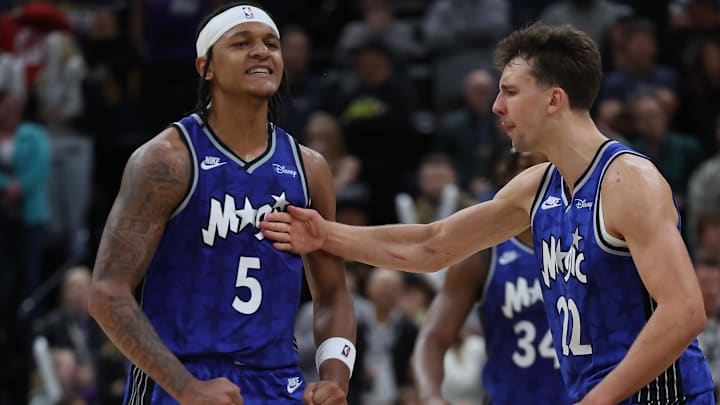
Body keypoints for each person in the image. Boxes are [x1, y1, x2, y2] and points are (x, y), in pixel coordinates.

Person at [261, 23, 715, 404]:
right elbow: (433, 244)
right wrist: (325, 235)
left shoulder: (628, 181)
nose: (497, 106)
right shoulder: (537, 188)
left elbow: (685, 311)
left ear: (554, 99)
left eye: (511, 92)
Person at [88, 3, 356, 405]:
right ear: (206, 67)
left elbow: (333, 294)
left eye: (271, 43)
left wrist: (335, 377)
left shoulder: (309, 168)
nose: (262, 51)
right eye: (241, 43)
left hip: (276, 382)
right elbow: (106, 291)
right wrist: (185, 387)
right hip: (180, 377)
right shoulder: (166, 159)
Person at [412, 152, 570, 405]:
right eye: (521, 169)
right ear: (508, 183)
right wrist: (431, 395)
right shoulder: (483, 255)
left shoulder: (592, 239)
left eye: (539, 167)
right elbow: (432, 338)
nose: (531, 177)